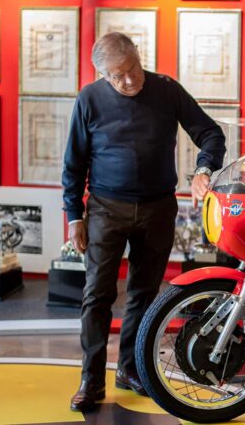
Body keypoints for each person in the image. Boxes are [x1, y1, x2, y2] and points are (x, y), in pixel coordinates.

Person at [62, 32, 225, 412]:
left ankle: (130, 369)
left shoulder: (166, 90)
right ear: (102, 75)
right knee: (97, 295)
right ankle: (91, 379)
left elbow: (210, 133)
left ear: (139, 56)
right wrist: (74, 216)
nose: (129, 80)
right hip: (106, 209)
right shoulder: (89, 99)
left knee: (144, 294)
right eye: (117, 75)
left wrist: (204, 170)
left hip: (157, 208)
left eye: (133, 69)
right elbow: (74, 163)